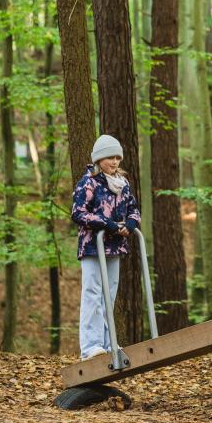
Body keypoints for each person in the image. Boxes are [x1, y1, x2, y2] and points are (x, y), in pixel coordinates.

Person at [72, 134, 141, 361]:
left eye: (117, 158)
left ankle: (107, 341)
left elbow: (133, 209)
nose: (114, 161)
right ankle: (90, 346)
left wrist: (131, 223)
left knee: (109, 294)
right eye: (110, 157)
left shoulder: (123, 183)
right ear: (99, 159)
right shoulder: (88, 182)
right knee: (92, 293)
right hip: (93, 246)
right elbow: (78, 213)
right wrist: (106, 224)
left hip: (115, 246)